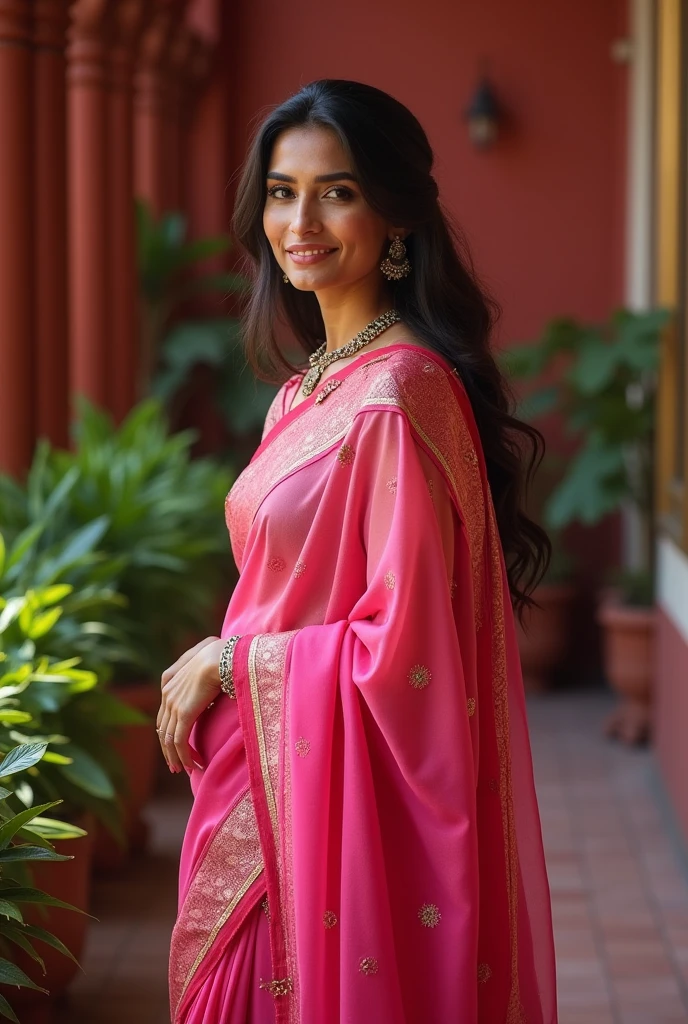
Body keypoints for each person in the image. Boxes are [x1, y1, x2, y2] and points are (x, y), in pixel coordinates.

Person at [159, 79, 558, 1024]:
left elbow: (405, 653)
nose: (301, 220)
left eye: (337, 190)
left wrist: (233, 658)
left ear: (396, 215)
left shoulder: (396, 396)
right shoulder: (308, 390)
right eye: (282, 191)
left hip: (316, 821)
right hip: (262, 781)